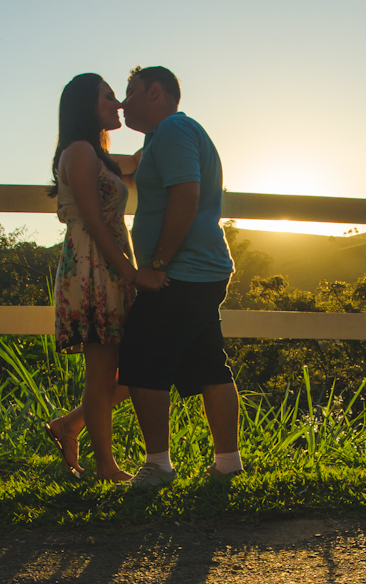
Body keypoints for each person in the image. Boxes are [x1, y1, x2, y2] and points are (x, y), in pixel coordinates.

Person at [118, 66, 243, 487]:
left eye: (131, 91)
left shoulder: (172, 130)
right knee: (209, 361)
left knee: (141, 355)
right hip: (202, 269)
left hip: (181, 271)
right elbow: (132, 167)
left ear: (156, 92)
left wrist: (156, 265)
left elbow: (186, 195)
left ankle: (158, 465)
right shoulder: (165, 137)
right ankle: (228, 462)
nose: (123, 101)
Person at [42, 73, 168, 482]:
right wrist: (130, 273)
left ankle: (70, 425)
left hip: (107, 266)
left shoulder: (99, 155)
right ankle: (106, 468)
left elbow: (145, 160)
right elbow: (94, 222)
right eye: (109, 97)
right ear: (86, 105)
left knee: (133, 365)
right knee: (102, 373)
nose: (117, 104)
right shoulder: (79, 151)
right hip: (93, 267)